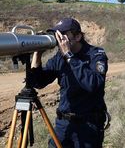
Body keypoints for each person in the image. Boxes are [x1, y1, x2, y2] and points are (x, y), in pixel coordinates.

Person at [31, 17, 109, 148]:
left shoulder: (96, 54)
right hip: (64, 126)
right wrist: (37, 53)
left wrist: (69, 56)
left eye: (63, 35)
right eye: (57, 35)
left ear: (78, 36)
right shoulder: (60, 57)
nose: (59, 39)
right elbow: (38, 82)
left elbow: (94, 84)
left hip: (88, 127)